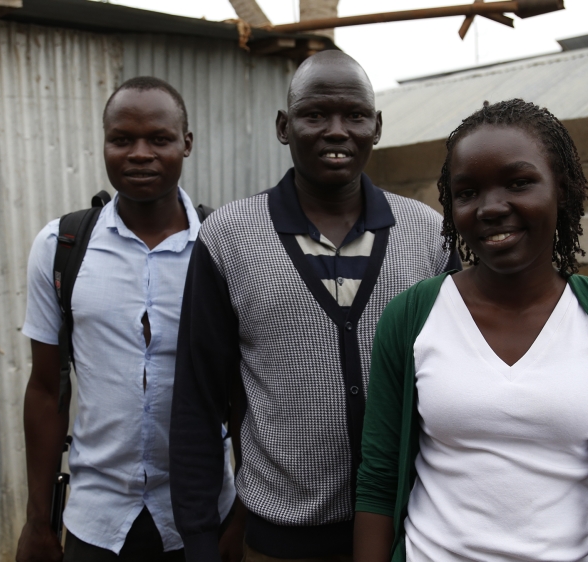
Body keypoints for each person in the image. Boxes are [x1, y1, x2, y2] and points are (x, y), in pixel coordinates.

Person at [169, 50, 461, 562]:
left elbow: (463, 382)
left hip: (413, 533)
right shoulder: (230, 238)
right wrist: (198, 538)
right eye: (314, 114)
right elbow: (198, 399)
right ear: (284, 127)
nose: (336, 130)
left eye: (354, 115)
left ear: (377, 127)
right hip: (281, 541)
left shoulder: (428, 236)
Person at [353, 99, 588, 562]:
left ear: (560, 189)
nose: (491, 208)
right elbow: (379, 481)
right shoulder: (412, 317)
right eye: (467, 193)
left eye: (519, 183)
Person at [16, 77, 236, 562]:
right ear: (104, 144)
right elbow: (46, 390)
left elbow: (252, 391)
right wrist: (38, 520)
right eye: (122, 140)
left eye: (159, 139)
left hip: (203, 520)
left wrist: (240, 519)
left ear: (187, 143)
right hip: (97, 521)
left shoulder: (225, 247)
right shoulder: (61, 247)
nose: (140, 153)